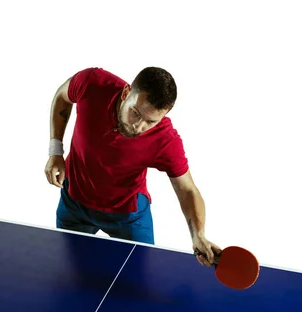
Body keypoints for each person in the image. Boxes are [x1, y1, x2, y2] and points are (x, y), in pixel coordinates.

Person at [44, 66, 221, 267]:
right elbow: (62, 96)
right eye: (135, 113)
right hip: (74, 202)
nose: (139, 126)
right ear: (127, 93)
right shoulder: (92, 84)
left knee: (139, 281)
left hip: (127, 215)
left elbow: (187, 189)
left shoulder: (165, 140)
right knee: (71, 271)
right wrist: (55, 151)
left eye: (150, 121)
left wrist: (198, 234)